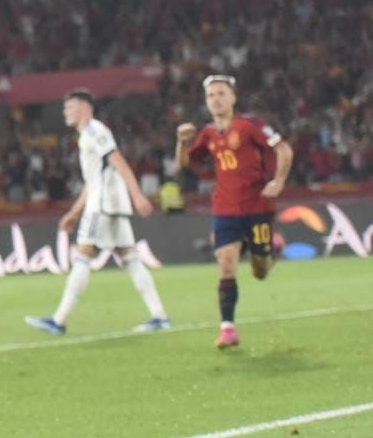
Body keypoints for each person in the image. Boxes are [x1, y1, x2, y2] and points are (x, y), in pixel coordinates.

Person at [26, 89, 169, 336]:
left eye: (69, 108)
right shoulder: (86, 135)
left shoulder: (94, 130)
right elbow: (95, 180)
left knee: (83, 254)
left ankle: (59, 320)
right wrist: (73, 212)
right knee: (130, 257)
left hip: (101, 206)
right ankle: (160, 316)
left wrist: (137, 195)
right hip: (111, 203)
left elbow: (118, 160)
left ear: (83, 107)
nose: (65, 113)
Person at [176, 74, 293, 349]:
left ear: (233, 98)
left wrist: (278, 181)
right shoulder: (207, 134)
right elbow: (184, 165)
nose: (216, 100)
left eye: (221, 94)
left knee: (260, 271)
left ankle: (272, 248)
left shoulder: (250, 125)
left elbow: (284, 150)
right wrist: (181, 142)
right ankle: (228, 328)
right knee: (226, 266)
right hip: (225, 210)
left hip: (257, 208)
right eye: (211, 96)